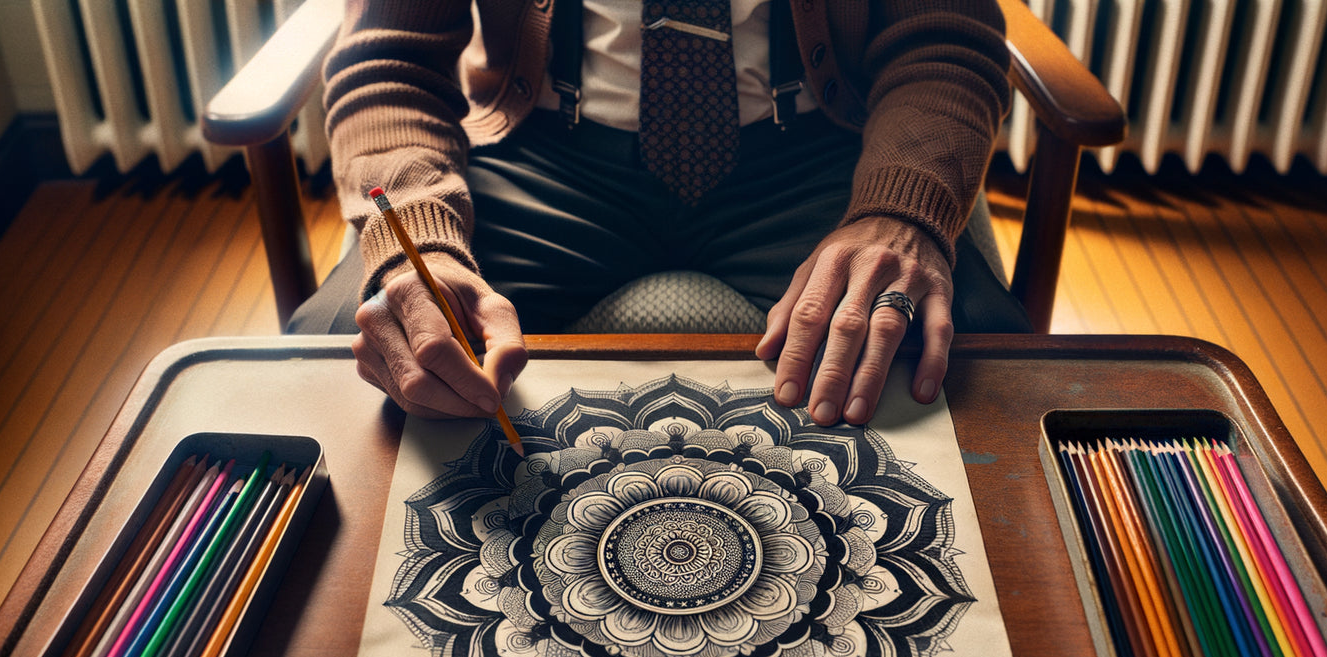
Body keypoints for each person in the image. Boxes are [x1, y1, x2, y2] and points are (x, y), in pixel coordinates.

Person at [292, 0, 1030, 425]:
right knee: (343, 353)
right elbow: (390, 60)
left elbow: (944, 35)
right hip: (542, 156)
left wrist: (903, 211)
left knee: (966, 360)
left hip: (815, 159)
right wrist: (415, 237)